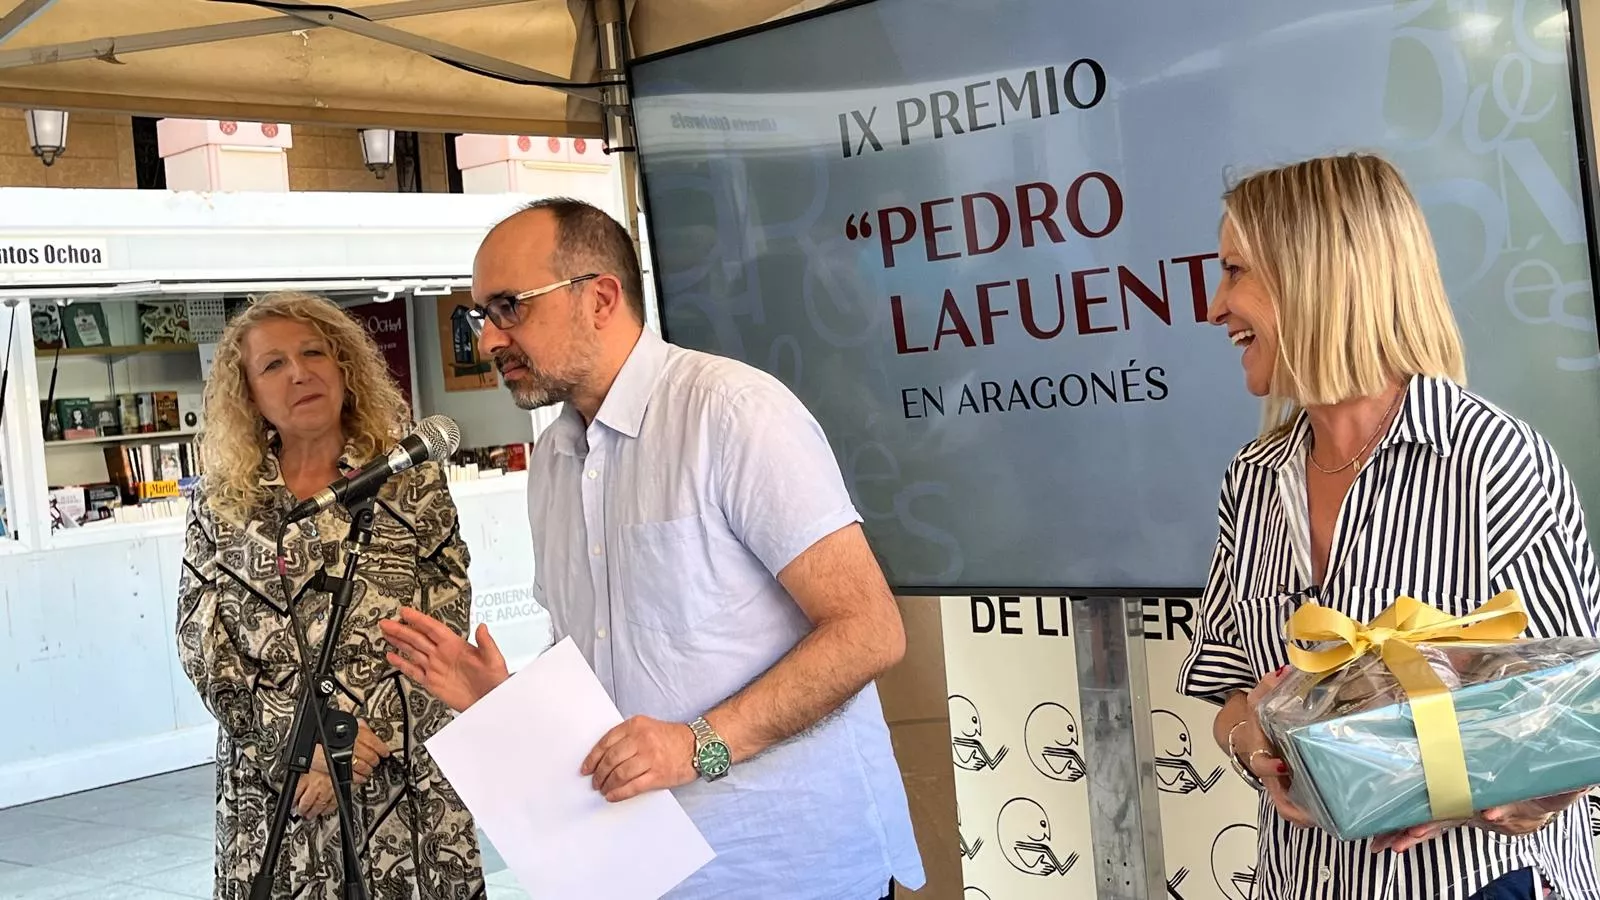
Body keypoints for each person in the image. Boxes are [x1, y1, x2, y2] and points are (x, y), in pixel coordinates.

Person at [380, 198, 926, 900]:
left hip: (787, 867)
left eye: (510, 307)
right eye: (479, 315)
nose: (488, 340)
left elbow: (869, 632)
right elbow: (613, 673)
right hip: (637, 871)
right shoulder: (551, 459)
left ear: (601, 298)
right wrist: (505, 701)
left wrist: (696, 743)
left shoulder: (731, 414)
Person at [1177, 153, 1600, 900]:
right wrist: (1254, 749)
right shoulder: (1251, 479)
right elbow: (1232, 695)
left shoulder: (1488, 460)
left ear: (1316, 278)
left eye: (1236, 272)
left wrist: (1473, 787)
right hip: (1300, 882)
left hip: (1474, 884)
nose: (1214, 306)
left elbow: (1578, 720)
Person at [175, 292, 485, 900]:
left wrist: (361, 742)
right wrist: (298, 748)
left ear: (344, 364)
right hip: (282, 788)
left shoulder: (410, 477)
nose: (299, 372)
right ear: (249, 394)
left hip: (398, 777)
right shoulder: (221, 503)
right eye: (273, 365)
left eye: (313, 352)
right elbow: (202, 644)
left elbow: (445, 619)